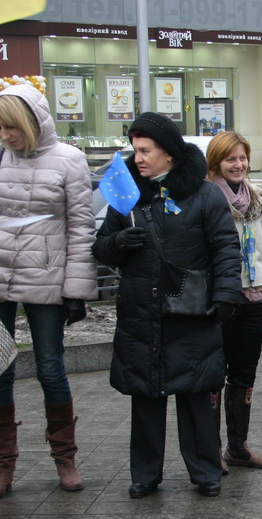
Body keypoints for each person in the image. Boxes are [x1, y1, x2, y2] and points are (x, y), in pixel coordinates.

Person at [93, 112, 241, 498]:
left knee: (194, 395)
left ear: (170, 154)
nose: (138, 158)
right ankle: (145, 475)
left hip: (190, 311)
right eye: (135, 150)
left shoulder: (204, 193)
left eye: (145, 150)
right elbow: (102, 247)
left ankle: (205, 472)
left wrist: (226, 296)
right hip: (142, 313)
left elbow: (225, 247)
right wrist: (119, 244)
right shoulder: (126, 194)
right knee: (146, 397)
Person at [0, 84, 97, 498]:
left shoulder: (69, 160)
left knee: (51, 368)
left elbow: (80, 227)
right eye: (0, 128)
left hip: (47, 278)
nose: (6, 136)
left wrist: (76, 289)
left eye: (11, 128)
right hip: (0, 277)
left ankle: (65, 458)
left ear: (30, 123)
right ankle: (3, 463)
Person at [205, 131, 262, 470]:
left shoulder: (255, 201)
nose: (238, 165)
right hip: (223, 301)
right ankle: (210, 449)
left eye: (242, 158)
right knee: (212, 376)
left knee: (244, 374)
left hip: (257, 299)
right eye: (230, 159)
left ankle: (238, 447)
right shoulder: (207, 199)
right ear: (216, 163)